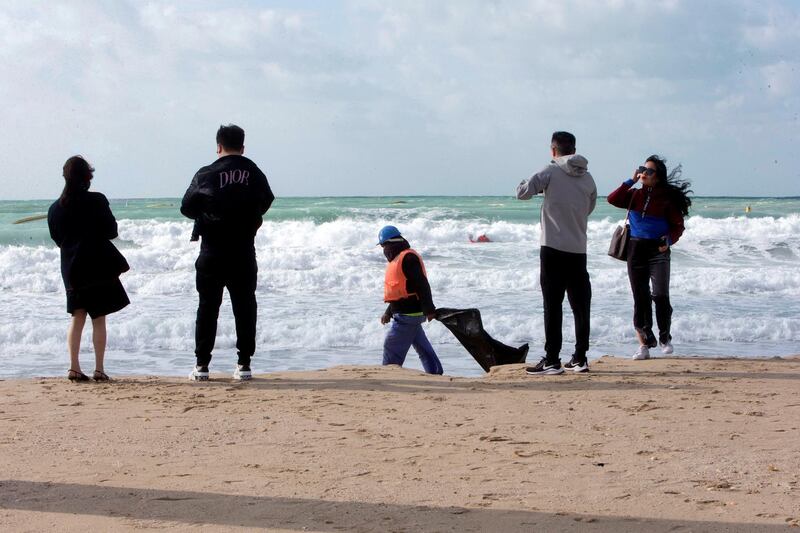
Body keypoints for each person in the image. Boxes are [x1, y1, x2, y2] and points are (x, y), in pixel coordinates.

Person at [181, 124, 274, 381]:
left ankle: (202, 366)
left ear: (218, 146)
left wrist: (208, 212)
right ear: (242, 147)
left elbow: (186, 207)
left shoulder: (206, 173)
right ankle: (244, 364)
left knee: (208, 308)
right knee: (245, 307)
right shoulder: (253, 172)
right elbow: (267, 200)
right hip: (243, 250)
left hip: (212, 250)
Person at [516, 131, 597, 375]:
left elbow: (523, 193)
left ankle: (552, 360)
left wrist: (529, 184)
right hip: (578, 248)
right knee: (581, 305)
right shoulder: (588, 178)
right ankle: (580, 358)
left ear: (554, 150)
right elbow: (588, 209)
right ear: (574, 149)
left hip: (552, 248)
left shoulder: (549, 171)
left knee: (553, 305)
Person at [47, 156, 130, 382]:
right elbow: (111, 231)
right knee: (99, 318)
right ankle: (99, 369)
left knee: (77, 316)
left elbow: (58, 240)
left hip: (71, 268)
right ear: (88, 177)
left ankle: (73, 367)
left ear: (65, 177)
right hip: (97, 266)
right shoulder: (97, 201)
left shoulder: (55, 209)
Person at [607, 155, 691, 360]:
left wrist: (668, 241)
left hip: (658, 250)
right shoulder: (634, 194)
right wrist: (630, 181)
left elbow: (678, 226)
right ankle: (644, 344)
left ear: (658, 176)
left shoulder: (667, 199)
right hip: (635, 249)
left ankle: (664, 337)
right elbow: (612, 199)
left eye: (649, 171)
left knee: (660, 295)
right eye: (642, 169)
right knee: (640, 297)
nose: (644, 173)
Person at [378, 225, 443, 375]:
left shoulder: (408, 258)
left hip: (409, 314)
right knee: (422, 346)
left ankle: (389, 375)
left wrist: (429, 310)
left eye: (383, 246)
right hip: (407, 313)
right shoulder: (399, 259)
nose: (383, 250)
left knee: (391, 345)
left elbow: (422, 285)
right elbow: (400, 292)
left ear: (390, 243)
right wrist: (388, 312)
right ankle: (435, 372)